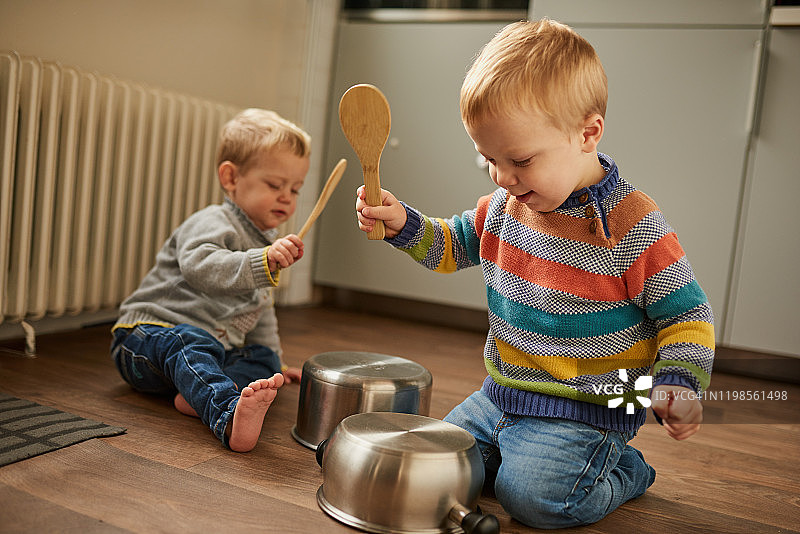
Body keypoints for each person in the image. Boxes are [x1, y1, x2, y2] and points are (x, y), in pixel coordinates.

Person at [355, 19, 714, 528]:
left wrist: (678, 383)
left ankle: (624, 469)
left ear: (587, 134)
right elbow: (452, 245)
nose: (503, 178)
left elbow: (688, 316)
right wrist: (402, 224)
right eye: (488, 160)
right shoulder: (505, 205)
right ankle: (518, 457)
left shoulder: (633, 227)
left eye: (519, 160)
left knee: (535, 502)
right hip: (498, 393)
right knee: (440, 471)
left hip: (588, 408)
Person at [111, 108, 310, 452]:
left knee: (261, 358)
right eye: (275, 185)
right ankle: (227, 414)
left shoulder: (264, 246)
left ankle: (200, 392)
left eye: (295, 189)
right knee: (191, 340)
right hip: (146, 341)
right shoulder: (213, 222)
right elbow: (201, 267)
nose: (286, 197)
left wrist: (278, 360)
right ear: (231, 178)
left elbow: (261, 311)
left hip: (205, 355)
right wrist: (261, 261)